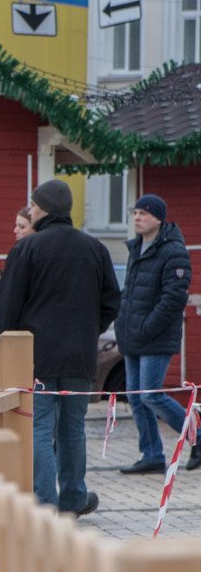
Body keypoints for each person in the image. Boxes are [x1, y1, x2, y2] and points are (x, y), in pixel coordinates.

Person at [0, 179, 120, 517]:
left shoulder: (27, 249)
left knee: (41, 428)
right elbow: (111, 301)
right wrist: (91, 330)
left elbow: (7, 307)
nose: (29, 210)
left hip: (38, 356)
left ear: (44, 208)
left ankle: (45, 503)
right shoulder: (95, 248)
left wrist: (1, 340)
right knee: (73, 428)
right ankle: (74, 498)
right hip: (80, 355)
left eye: (32, 205)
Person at [115, 194, 201, 474]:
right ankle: (151, 454)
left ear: (158, 218)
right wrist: (122, 324)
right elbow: (130, 294)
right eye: (135, 212)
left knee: (152, 395)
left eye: (144, 213)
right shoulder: (136, 248)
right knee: (136, 396)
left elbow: (174, 297)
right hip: (133, 335)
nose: (137, 217)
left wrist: (147, 327)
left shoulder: (173, 250)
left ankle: (198, 437)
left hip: (155, 335)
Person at [0, 206, 35, 284]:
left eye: (22, 227)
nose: (15, 230)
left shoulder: (30, 254)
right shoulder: (18, 250)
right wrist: (1, 279)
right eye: (16, 225)